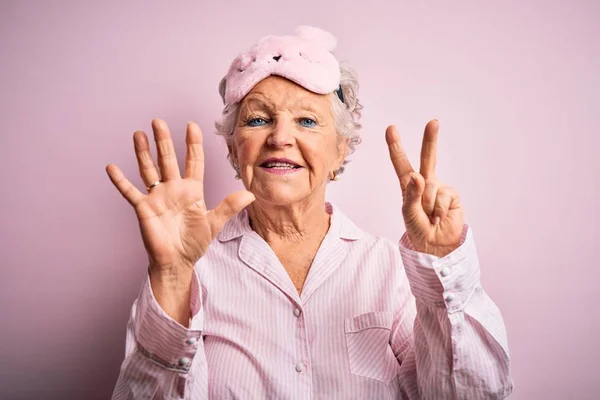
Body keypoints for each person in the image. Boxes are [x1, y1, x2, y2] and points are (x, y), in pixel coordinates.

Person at [106, 26, 513, 399]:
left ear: (341, 149)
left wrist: (442, 268)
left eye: (306, 120)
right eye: (259, 119)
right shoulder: (193, 272)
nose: (280, 137)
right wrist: (173, 277)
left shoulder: (389, 269)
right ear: (233, 148)